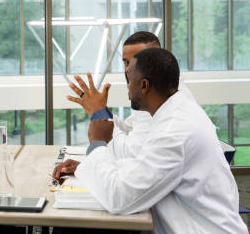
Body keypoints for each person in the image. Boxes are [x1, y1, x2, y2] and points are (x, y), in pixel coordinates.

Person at [54, 48, 247, 234]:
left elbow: (119, 198)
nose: (127, 87)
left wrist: (97, 143)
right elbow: (144, 164)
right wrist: (86, 167)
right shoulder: (174, 111)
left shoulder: (174, 131)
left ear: (144, 85)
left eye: (130, 80)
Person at [67, 31, 200, 158]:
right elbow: (130, 131)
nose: (129, 69)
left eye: (139, 60)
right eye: (126, 62)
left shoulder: (161, 98)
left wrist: (98, 113)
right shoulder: (155, 93)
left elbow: (132, 154)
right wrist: (101, 111)